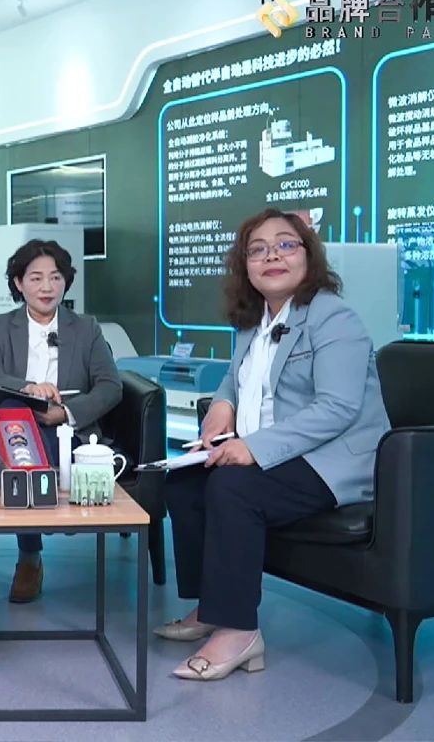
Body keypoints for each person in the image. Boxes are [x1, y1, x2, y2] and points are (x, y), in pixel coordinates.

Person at [159, 208, 390, 681]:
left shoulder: (334, 318)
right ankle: (210, 608)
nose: (272, 257)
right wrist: (222, 405)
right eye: (258, 250)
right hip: (283, 453)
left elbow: (338, 407)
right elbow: (234, 378)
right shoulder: (253, 321)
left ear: (309, 255)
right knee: (185, 481)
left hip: (332, 461)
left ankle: (239, 631)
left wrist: (253, 448)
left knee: (233, 487)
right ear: (244, 265)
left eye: (286, 245)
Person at [0, 238, 122, 603]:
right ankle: (30, 555)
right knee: (17, 419)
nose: (47, 287)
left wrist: (66, 413)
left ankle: (43, 510)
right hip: (14, 423)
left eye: (55, 278)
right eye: (36, 278)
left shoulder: (86, 328)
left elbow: (110, 386)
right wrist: (29, 389)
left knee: (41, 443)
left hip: (67, 426)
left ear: (65, 282)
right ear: (18, 283)